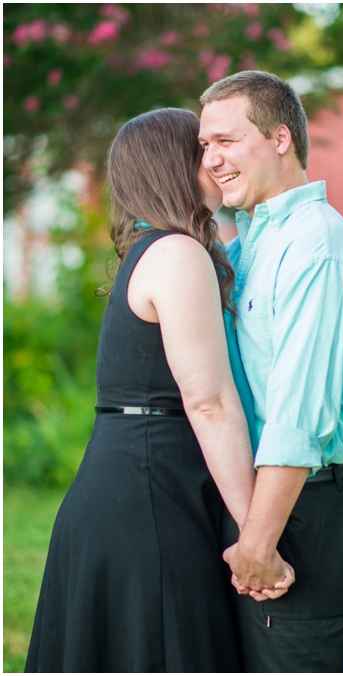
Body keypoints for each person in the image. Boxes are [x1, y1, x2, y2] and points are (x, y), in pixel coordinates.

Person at [25, 108, 294, 672]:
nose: (217, 160)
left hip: (144, 483)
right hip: (147, 496)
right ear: (175, 165)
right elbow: (209, 401)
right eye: (203, 149)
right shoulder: (176, 252)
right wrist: (256, 540)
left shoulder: (159, 248)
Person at [197, 70, 343, 672]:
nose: (212, 159)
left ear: (281, 138)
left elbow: (300, 417)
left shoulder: (316, 247)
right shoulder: (250, 240)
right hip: (261, 500)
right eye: (205, 146)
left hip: (302, 507)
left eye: (226, 141)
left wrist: (258, 542)